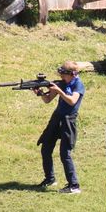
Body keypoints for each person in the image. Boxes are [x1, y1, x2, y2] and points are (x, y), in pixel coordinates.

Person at [34, 61, 85, 194]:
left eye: (63, 74)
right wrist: (40, 93)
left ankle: (74, 185)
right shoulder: (62, 84)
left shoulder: (78, 84)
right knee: (46, 148)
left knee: (64, 153)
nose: (61, 76)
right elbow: (47, 100)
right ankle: (50, 179)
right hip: (57, 118)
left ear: (72, 74)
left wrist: (59, 91)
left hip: (68, 120)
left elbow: (72, 101)